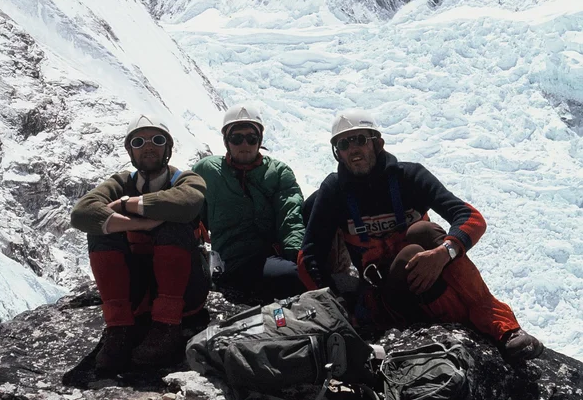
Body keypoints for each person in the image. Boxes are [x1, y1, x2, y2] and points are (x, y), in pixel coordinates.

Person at [298, 108, 544, 361]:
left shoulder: (409, 177)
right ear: (337, 152)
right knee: (414, 250)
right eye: (344, 143)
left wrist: (444, 253)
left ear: (377, 143)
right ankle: (487, 328)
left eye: (359, 139)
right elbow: (309, 257)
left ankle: (503, 328)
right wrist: (338, 306)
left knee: (424, 232)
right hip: (383, 299)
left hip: (432, 281)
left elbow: (470, 217)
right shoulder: (334, 191)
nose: (353, 149)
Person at [70, 114, 209, 375]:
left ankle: (167, 327)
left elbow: (186, 203)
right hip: (141, 287)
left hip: (185, 288)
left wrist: (125, 205)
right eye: (139, 141)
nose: (148, 146)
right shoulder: (120, 182)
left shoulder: (185, 179)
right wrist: (141, 224)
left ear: (168, 149)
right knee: (100, 230)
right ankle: (119, 329)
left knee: (174, 224)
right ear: (129, 149)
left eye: (157, 140)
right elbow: (82, 213)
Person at [192, 103, 306, 302]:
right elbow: (192, 215)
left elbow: (290, 215)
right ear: (227, 141)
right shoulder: (208, 171)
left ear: (259, 140)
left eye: (251, 138)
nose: (244, 144)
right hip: (230, 259)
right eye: (237, 138)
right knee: (290, 277)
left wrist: (297, 256)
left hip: (270, 255)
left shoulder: (278, 172)